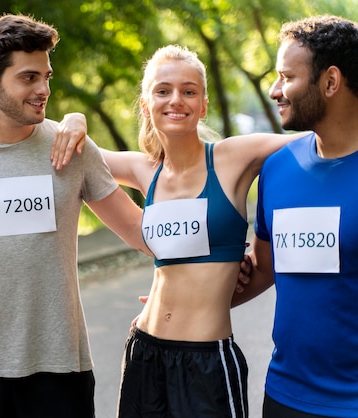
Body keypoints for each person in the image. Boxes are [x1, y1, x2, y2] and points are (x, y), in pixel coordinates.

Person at [0, 13, 151, 418]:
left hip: (59, 368)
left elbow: (141, 233)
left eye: (47, 77)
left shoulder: (72, 148)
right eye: (28, 78)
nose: (43, 90)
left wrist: (219, 258)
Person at [53, 44, 307, 417]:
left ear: (203, 104)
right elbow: (73, 153)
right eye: (163, 90)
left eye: (189, 91)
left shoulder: (232, 157)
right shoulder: (144, 170)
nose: (177, 100)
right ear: (146, 104)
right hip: (145, 352)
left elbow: (320, 138)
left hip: (208, 362)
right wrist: (74, 118)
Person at [232, 15, 358, 418]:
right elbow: (265, 268)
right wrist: (181, 304)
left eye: (287, 77)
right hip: (285, 396)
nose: (274, 91)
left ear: (330, 82)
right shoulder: (277, 167)